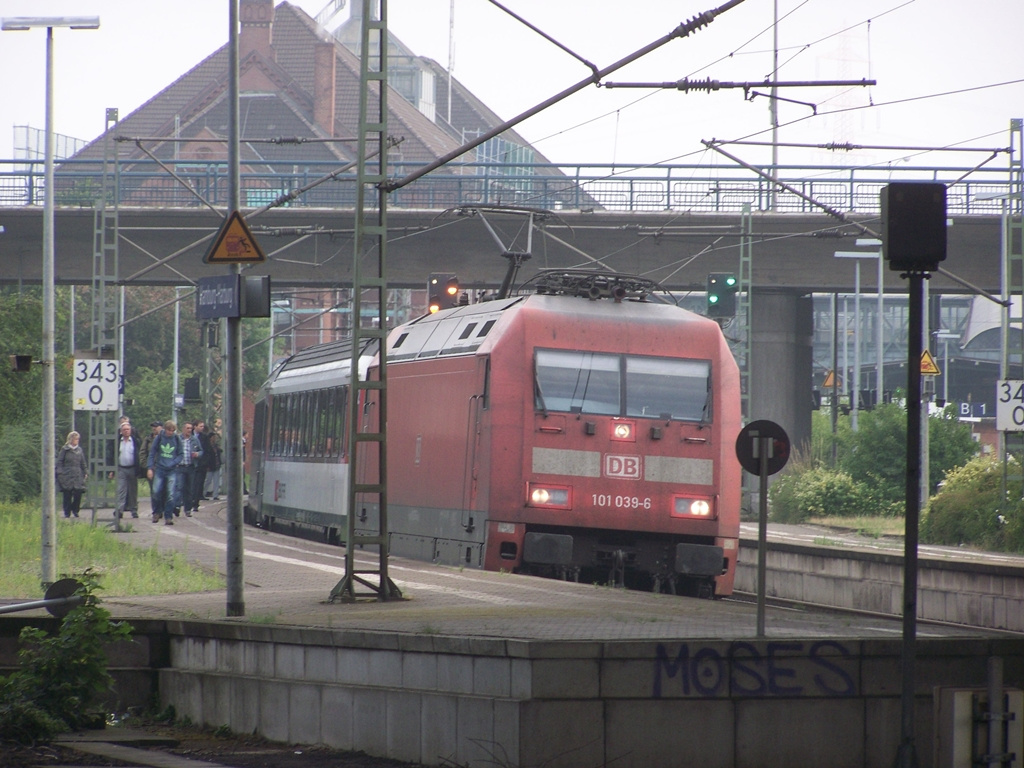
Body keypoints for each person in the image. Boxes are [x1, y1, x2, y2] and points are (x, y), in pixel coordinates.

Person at [147, 420, 183, 525]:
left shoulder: (176, 439)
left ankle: (168, 516)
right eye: (169, 430)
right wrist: (150, 467)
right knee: (156, 491)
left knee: (170, 494)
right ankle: (157, 511)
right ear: (165, 429)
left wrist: (174, 462)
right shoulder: (159, 438)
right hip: (159, 468)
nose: (171, 433)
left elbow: (181, 454)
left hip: (171, 470)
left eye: (173, 431)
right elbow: (152, 453)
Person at [56, 431, 88, 518]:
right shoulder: (64, 450)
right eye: (75, 439)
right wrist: (60, 473)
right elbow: (59, 462)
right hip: (67, 474)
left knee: (78, 493)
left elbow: (83, 462)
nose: (77, 441)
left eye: (78, 439)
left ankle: (75, 510)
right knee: (67, 494)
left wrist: (85, 472)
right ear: (71, 439)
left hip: (77, 474)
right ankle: (67, 512)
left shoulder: (79, 450)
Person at [114, 420, 142, 520]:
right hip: (121, 468)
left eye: (128, 429)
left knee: (133, 491)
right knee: (121, 489)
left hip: (132, 468)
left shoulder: (135, 441)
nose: (126, 431)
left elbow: (139, 454)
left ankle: (134, 510)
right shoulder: (117, 441)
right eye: (124, 429)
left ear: (131, 430)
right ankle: (119, 510)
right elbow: (112, 454)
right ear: (121, 431)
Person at [175, 421, 203, 518]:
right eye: (187, 428)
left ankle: (187, 509)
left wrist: (197, 454)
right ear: (183, 429)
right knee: (179, 487)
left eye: (190, 428)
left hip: (191, 467)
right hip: (180, 467)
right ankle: (177, 506)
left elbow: (201, 451)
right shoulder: (178, 439)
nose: (189, 430)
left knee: (189, 489)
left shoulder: (194, 440)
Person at [193, 420, 213, 513]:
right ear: (195, 426)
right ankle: (188, 501)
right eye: (200, 426)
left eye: (203, 426)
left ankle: (196, 503)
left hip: (201, 465)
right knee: (190, 484)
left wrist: (205, 463)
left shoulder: (204, 437)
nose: (202, 428)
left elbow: (208, 451)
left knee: (198, 484)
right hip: (190, 464)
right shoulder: (189, 436)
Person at [139, 421, 163, 496]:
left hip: (163, 467)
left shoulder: (166, 438)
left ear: (161, 427)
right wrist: (146, 466)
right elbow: (142, 452)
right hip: (152, 468)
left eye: (156, 426)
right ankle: (156, 507)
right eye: (153, 426)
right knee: (154, 491)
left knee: (163, 490)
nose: (154, 428)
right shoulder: (148, 439)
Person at [203, 432, 222, 500]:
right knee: (208, 480)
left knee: (216, 480)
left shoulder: (216, 445)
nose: (215, 438)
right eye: (214, 437)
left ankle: (215, 495)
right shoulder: (207, 446)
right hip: (210, 466)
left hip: (216, 465)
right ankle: (203, 493)